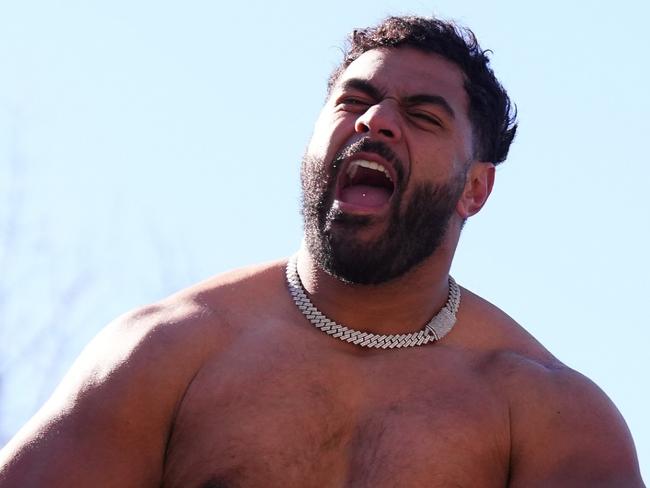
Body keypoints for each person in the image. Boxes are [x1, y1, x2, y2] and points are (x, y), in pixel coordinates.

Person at [0, 15, 644, 488]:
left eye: (422, 116)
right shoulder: (166, 352)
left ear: (474, 188)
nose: (375, 121)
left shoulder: (546, 412)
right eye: (356, 102)